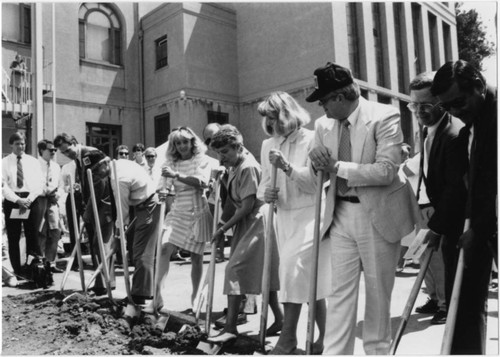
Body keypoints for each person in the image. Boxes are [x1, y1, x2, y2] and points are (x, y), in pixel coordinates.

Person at [306, 62, 421, 354]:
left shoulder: (384, 116)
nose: (322, 109)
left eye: (324, 102)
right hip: (340, 213)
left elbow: (385, 171)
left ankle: (377, 352)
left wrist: (336, 166)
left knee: (377, 294)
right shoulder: (323, 126)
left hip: (378, 215)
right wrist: (315, 157)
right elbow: (316, 173)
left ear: (340, 97)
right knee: (340, 293)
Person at [431, 60, 497, 354]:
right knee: (465, 306)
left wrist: (482, 227)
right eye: (447, 108)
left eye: (458, 102)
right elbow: (461, 188)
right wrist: (439, 228)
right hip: (476, 229)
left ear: (479, 87)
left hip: (487, 225)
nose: (454, 112)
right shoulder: (465, 130)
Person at [257, 92, 331, 354]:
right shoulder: (268, 145)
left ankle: (287, 339)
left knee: (292, 271)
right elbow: (265, 183)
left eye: (272, 116)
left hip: (311, 214)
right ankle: (323, 339)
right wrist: (265, 194)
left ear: (285, 114)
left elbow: (314, 184)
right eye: (266, 117)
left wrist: (287, 167)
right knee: (310, 282)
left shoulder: (312, 139)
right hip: (284, 218)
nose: (268, 122)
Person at [207, 124, 281, 344]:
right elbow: (231, 201)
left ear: (237, 147)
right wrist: (220, 224)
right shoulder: (234, 166)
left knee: (234, 270)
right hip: (245, 223)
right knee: (262, 274)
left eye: (225, 153)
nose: (221, 159)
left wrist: (223, 229)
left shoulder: (248, 167)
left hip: (257, 221)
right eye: (218, 154)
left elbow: (247, 206)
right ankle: (281, 319)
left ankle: (231, 327)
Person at [403, 72, 467, 325]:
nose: (419, 111)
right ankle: (440, 301)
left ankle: (445, 306)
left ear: (442, 101)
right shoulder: (431, 130)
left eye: (426, 105)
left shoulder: (452, 134)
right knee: (429, 263)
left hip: (449, 220)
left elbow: (455, 189)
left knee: (447, 274)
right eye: (414, 105)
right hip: (431, 209)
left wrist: (436, 227)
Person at [83, 150, 162, 324]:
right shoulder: (117, 166)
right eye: (93, 172)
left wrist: (118, 235)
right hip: (138, 204)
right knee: (138, 251)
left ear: (105, 162)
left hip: (148, 205)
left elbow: (122, 211)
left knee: (142, 253)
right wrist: (119, 234)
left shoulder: (118, 178)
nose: (96, 174)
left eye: (97, 170)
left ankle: (140, 297)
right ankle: (139, 293)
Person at [151, 127, 213, 312]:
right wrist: (161, 191)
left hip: (197, 212)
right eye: (178, 143)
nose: (182, 146)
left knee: (196, 257)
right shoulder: (171, 163)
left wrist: (176, 175)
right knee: (163, 248)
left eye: (185, 142)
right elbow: (163, 186)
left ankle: (195, 298)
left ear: (192, 142)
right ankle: (157, 296)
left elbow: (202, 182)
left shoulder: (201, 160)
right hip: (177, 212)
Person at [54, 133, 114, 295]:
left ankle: (105, 284)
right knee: (98, 245)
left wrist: (88, 209)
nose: (67, 154)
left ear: (74, 143)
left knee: (101, 244)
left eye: (68, 150)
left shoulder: (91, 154)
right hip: (92, 205)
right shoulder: (79, 159)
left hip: (103, 205)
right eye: (64, 153)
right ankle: (103, 282)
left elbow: (100, 184)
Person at [2, 132, 44, 278]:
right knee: (13, 237)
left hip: (31, 200)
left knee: (32, 236)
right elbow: (3, 186)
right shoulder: (4, 162)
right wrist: (17, 200)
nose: (20, 146)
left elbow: (40, 183)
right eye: (17, 143)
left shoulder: (33, 162)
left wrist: (29, 200)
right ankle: (17, 271)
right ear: (11, 145)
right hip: (13, 201)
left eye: (23, 143)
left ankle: (33, 269)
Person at [37, 139, 64, 273]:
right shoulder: (35, 165)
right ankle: (40, 264)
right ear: (42, 150)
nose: (53, 152)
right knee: (41, 232)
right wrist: (43, 191)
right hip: (40, 200)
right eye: (51, 150)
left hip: (52, 201)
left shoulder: (56, 166)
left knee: (55, 231)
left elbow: (61, 185)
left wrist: (57, 194)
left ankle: (50, 263)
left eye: (55, 150)